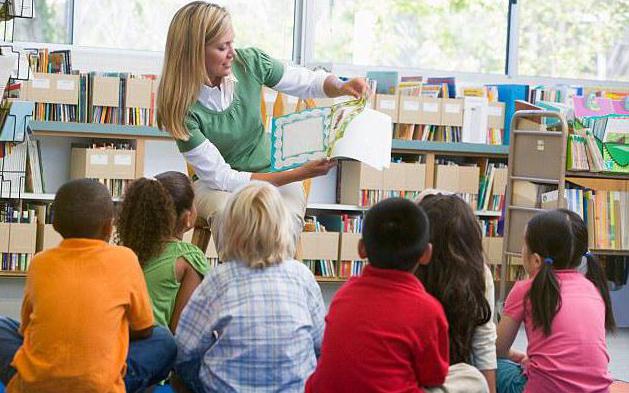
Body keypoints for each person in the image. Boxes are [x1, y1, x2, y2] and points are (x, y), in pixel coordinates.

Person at [157, 1, 368, 239]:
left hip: (270, 168)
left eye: (232, 43)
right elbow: (222, 177)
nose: (232, 53)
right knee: (232, 218)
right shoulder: (182, 110)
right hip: (217, 185)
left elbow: (306, 81)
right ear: (194, 53)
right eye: (221, 47)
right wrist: (299, 173)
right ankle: (239, 276)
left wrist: (341, 86)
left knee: (283, 219)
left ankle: (276, 275)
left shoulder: (249, 62)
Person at [0, 179, 177, 393]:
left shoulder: (39, 261)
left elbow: (26, 329)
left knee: (3, 326)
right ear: (109, 226)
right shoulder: (125, 259)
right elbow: (144, 329)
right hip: (100, 384)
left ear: (54, 224)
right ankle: (113, 381)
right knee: (164, 340)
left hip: (35, 384)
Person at [174, 182, 325, 393]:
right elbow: (320, 347)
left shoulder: (219, 279)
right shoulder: (303, 277)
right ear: (283, 227)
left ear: (230, 229)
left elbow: (185, 350)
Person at [496, 209, 616, 393]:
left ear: (536, 260)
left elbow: (497, 350)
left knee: (485, 364)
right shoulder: (592, 288)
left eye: (523, 244)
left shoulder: (525, 289)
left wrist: (515, 356)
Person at [417, 194, 497, 392]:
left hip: (407, 375)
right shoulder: (479, 273)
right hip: (453, 373)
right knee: (494, 371)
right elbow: (484, 345)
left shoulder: (409, 267)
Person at [116, 171, 209, 332]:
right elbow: (182, 331)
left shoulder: (124, 252)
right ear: (187, 217)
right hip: (154, 350)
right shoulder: (188, 259)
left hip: (118, 346)